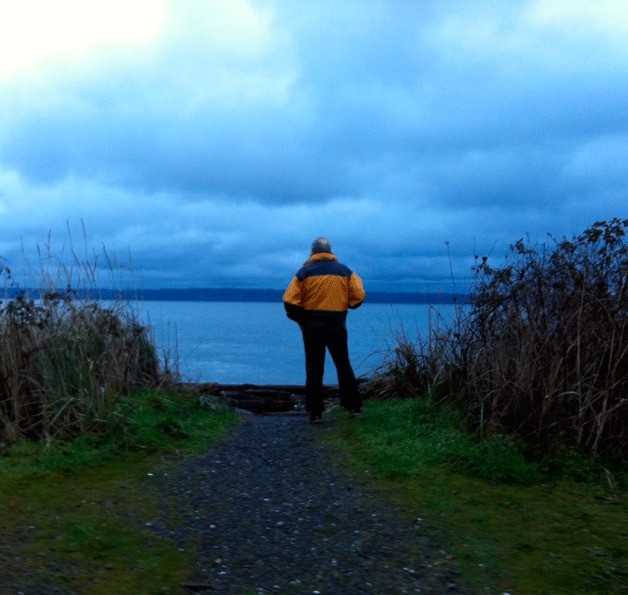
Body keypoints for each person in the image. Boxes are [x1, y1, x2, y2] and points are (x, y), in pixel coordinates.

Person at [283, 237, 366, 423]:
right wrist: (348, 304)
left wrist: (302, 319)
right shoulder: (345, 271)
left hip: (312, 327)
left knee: (314, 368)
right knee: (343, 365)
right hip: (337, 324)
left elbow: (289, 301)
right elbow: (359, 295)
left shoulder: (304, 272)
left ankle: (315, 413)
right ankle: (354, 406)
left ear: (312, 252)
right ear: (330, 251)